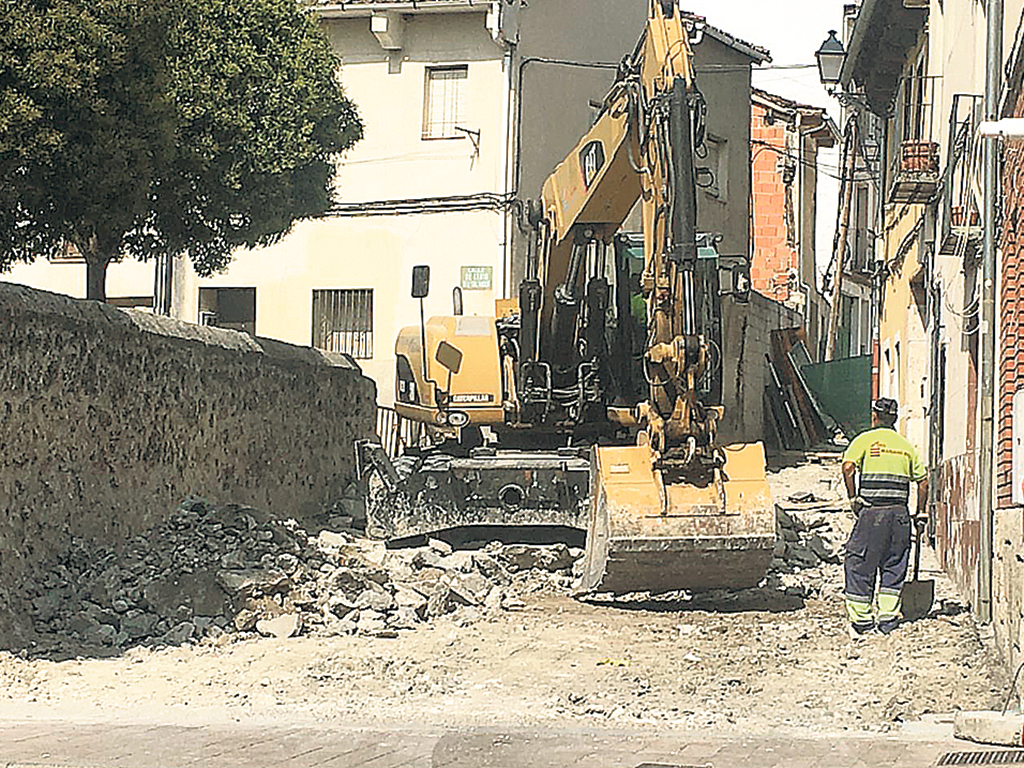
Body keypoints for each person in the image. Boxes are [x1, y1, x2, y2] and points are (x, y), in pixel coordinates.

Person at [840, 397, 927, 638]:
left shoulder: (865, 440)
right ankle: (887, 618)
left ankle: (862, 621)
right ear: (895, 419)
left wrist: (853, 497)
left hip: (872, 512)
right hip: (899, 515)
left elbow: (848, 468)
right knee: (894, 563)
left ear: (874, 417)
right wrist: (920, 512)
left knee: (859, 562)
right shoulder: (906, 446)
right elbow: (923, 481)